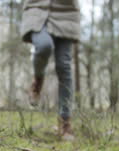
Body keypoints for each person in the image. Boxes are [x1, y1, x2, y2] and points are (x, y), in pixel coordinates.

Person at [20, 0, 80, 140]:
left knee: (64, 65)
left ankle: (65, 122)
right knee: (43, 46)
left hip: (66, 11)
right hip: (37, 8)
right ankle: (38, 79)